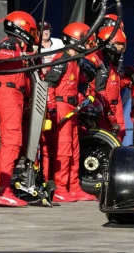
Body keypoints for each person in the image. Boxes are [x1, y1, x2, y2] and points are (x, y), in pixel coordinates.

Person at [0, 11, 38, 206]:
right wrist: (23, 54)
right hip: (7, 95)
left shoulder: (18, 46)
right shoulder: (10, 44)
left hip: (14, 97)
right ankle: (2, 191)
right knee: (12, 142)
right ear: (22, 27)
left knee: (13, 143)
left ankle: (2, 188)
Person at [44, 22, 96, 202]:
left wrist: (84, 101)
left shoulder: (74, 62)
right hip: (61, 109)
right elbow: (49, 85)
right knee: (63, 150)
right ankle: (60, 188)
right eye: (84, 39)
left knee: (74, 149)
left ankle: (73, 187)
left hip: (72, 109)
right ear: (74, 40)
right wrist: (51, 108)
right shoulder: (62, 59)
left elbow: (71, 87)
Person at [96, 26, 127, 140]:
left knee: (119, 137)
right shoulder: (103, 64)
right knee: (106, 139)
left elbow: (115, 88)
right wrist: (108, 112)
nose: (121, 48)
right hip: (105, 110)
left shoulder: (111, 65)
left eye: (122, 45)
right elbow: (100, 90)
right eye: (119, 44)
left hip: (115, 107)